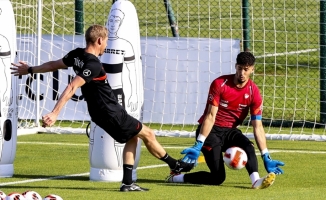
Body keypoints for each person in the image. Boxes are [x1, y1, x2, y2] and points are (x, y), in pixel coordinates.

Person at [11, 24, 194, 192]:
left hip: (101, 112)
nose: (106, 45)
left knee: (134, 137)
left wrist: (30, 70)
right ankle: (174, 165)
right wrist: (55, 113)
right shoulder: (93, 64)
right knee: (149, 134)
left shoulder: (77, 55)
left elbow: (53, 65)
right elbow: (72, 87)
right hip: (110, 112)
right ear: (99, 40)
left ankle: (128, 183)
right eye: (106, 41)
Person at [166, 52, 285, 189]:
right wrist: (199, 143)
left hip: (230, 131)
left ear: (252, 69)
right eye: (240, 68)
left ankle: (255, 181)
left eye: (246, 69)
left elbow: (257, 127)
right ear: (235, 66)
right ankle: (177, 177)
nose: (242, 72)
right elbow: (210, 116)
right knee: (218, 178)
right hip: (211, 131)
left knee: (248, 146)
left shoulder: (254, 93)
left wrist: (266, 155)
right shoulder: (220, 84)